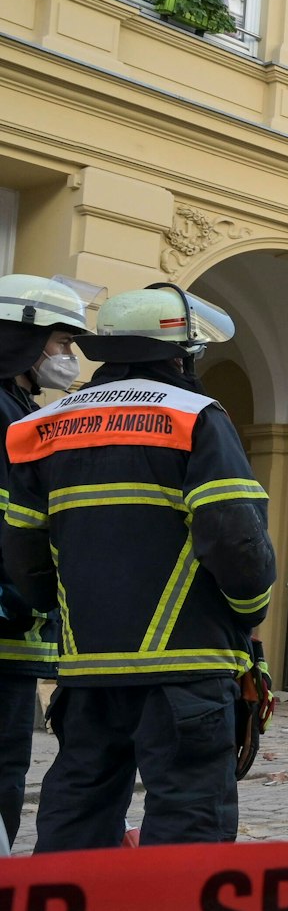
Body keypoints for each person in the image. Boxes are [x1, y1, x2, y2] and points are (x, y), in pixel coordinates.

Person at [3, 285, 274, 850]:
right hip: (187, 666)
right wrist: (250, 610)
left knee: (78, 808)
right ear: (180, 355)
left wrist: (69, 611)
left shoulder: (39, 428)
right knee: (188, 817)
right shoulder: (195, 416)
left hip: (87, 673)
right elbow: (236, 540)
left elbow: (24, 555)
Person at [0, 275, 89, 850]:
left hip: (12, 630)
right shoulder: (7, 416)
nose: (68, 358)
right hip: (4, 630)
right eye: (59, 343)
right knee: (5, 767)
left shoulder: (17, 407)